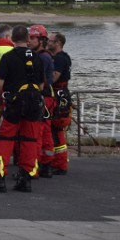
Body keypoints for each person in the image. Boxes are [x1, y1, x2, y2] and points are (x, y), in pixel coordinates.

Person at [0, 25, 46, 194]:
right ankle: (26, 178)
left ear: (12, 38)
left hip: (14, 104)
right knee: (29, 140)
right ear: (28, 39)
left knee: (3, 139)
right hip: (34, 104)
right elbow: (41, 84)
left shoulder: (9, 57)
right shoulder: (37, 58)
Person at [28, 24, 56, 178]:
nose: (29, 41)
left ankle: (35, 165)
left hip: (42, 97)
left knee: (37, 133)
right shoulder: (43, 56)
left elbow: (40, 81)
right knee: (45, 132)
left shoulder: (42, 57)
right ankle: (46, 164)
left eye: (33, 38)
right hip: (46, 97)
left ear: (41, 40)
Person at [46, 32, 72, 175]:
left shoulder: (60, 59)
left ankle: (60, 163)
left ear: (58, 43)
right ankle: (57, 161)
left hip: (58, 96)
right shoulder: (61, 57)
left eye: (50, 41)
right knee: (54, 130)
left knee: (56, 129)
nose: (47, 43)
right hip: (59, 95)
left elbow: (53, 78)